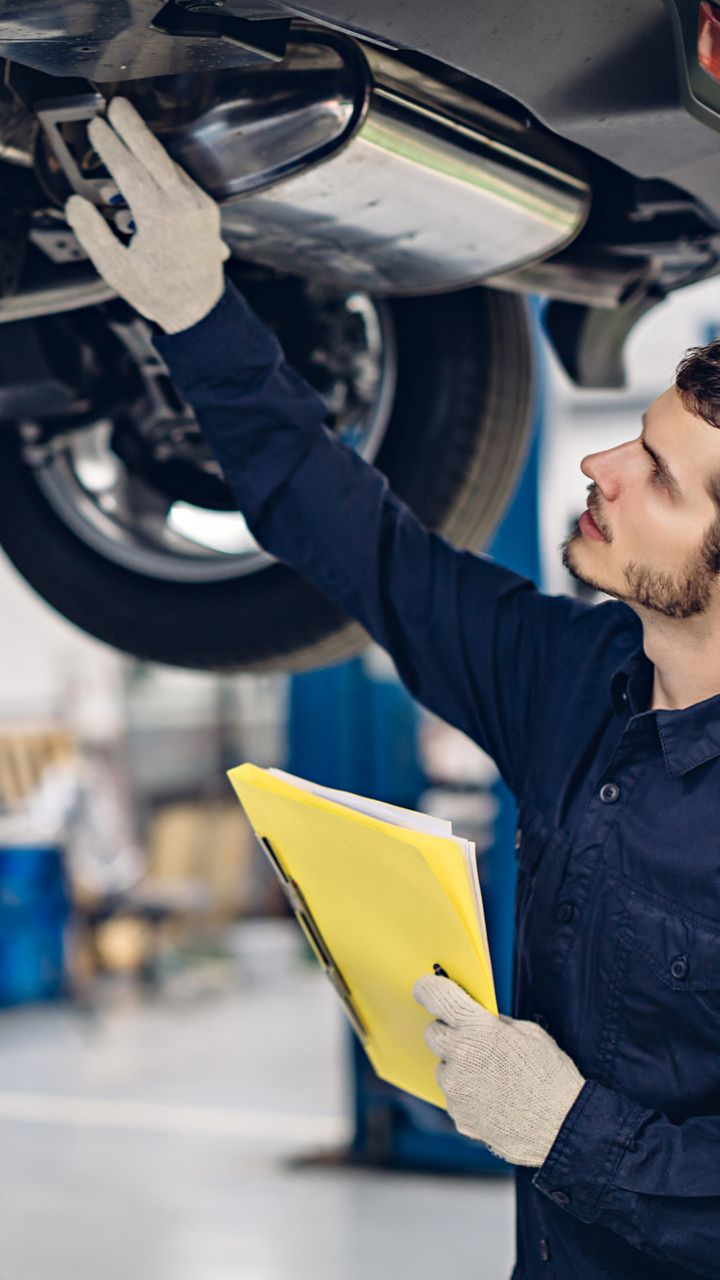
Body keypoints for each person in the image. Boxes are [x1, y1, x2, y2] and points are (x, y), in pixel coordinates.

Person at [67, 97, 720, 1279]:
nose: (600, 465)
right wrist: (199, 315)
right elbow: (366, 545)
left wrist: (572, 1132)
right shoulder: (581, 678)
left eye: (659, 477)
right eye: (633, 435)